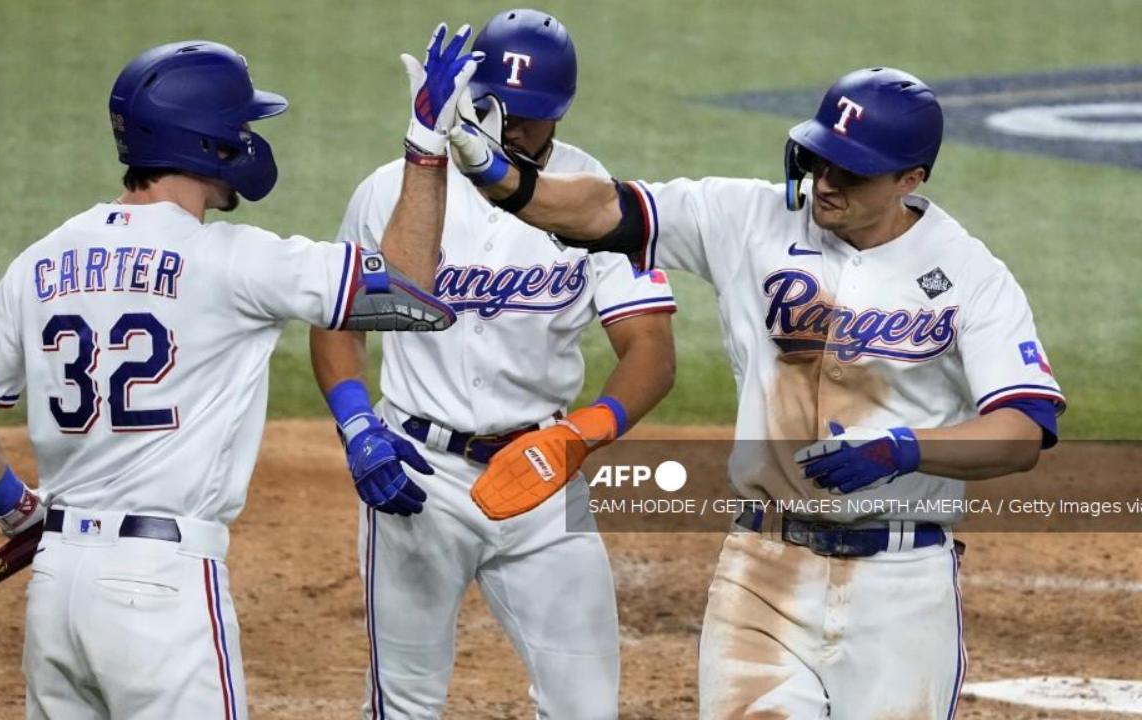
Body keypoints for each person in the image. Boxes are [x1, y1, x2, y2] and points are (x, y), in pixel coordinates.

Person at [452, 66, 1065, 719]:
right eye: (820, 157)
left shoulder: (971, 273)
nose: (826, 182)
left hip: (902, 588)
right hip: (763, 569)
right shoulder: (748, 218)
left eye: (852, 173)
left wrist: (903, 451)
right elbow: (604, 208)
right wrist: (497, 173)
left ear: (909, 180)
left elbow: (1023, 429)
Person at [0, 27, 479, 719]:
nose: (248, 138)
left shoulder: (43, 260)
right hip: (162, 595)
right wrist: (425, 146)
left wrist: (15, 505)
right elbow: (409, 294)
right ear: (208, 142)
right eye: (240, 126)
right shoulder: (235, 261)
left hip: (57, 585)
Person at [310, 9, 677, 719]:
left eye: (529, 117)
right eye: (493, 109)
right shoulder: (394, 187)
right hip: (419, 473)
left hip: (544, 474)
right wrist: (358, 425)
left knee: (586, 706)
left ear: (562, 111)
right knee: (405, 704)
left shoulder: (595, 201)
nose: (508, 128)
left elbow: (651, 351)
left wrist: (582, 433)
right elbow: (338, 325)